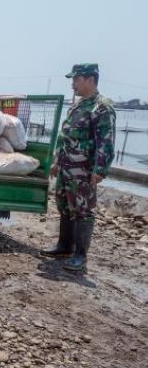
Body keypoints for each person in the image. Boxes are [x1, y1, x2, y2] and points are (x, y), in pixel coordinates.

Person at [40, 63, 115, 271]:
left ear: (90, 79)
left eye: (76, 79)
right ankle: (64, 246)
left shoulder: (101, 107)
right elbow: (64, 136)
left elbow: (106, 142)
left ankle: (80, 256)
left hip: (83, 170)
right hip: (66, 167)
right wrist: (56, 160)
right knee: (65, 206)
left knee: (83, 210)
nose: (73, 84)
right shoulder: (77, 105)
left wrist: (100, 170)